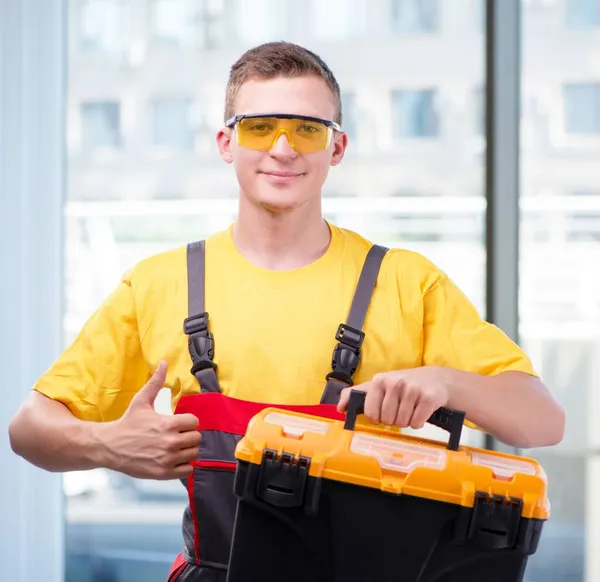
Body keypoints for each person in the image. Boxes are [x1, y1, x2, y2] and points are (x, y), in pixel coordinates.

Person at [9, 41, 565, 580]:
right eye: (260, 127)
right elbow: (29, 429)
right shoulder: (160, 284)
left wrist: (446, 383)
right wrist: (107, 445)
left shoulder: (406, 283)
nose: (283, 148)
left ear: (336, 148)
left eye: (307, 129)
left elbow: (542, 420)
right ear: (226, 142)